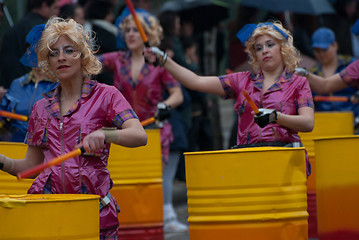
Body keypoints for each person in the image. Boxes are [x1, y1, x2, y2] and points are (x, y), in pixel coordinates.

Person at [0, 17, 147, 239]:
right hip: (50, 211)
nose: (61, 58)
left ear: (83, 55)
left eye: (69, 50)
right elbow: (31, 167)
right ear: (46, 61)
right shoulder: (40, 107)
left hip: (93, 211)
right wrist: (2, 161)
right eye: (53, 52)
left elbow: (139, 135)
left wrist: (106, 134)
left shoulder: (106, 95)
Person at [145, 21, 315, 176]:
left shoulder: (298, 83)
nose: (265, 50)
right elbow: (195, 81)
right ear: (254, 54)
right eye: (258, 47)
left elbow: (308, 123)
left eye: (270, 45)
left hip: (285, 162)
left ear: (282, 48)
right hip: (248, 161)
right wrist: (164, 60)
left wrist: (276, 117)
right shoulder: (241, 80)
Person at [98, 7, 184, 232]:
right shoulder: (117, 60)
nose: (130, 34)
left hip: (154, 128)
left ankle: (164, 216)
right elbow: (87, 63)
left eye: (136, 30)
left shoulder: (157, 61)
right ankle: (128, 221)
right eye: (126, 30)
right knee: (126, 180)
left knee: (156, 179)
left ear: (148, 33)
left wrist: (166, 104)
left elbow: (178, 94)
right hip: (125, 129)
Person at [0, 24, 57, 142]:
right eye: (28, 46)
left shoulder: (60, 86)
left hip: (46, 152)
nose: (30, 52)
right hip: (14, 150)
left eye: (36, 47)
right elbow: (3, 120)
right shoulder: (17, 84)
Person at [0, 0, 59, 89]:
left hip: (9, 89)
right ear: (44, 5)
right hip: (36, 87)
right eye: (55, 7)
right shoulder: (44, 30)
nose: (57, 12)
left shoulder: (13, 29)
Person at [309, 27, 359, 131]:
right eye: (317, 51)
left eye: (324, 49)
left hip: (354, 123)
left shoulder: (351, 65)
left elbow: (325, 85)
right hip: (325, 125)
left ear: (335, 45)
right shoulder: (312, 73)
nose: (321, 54)